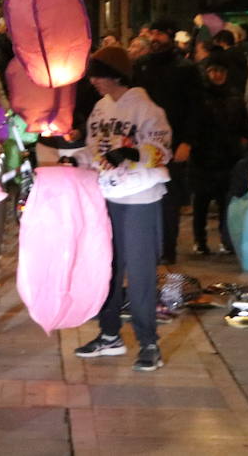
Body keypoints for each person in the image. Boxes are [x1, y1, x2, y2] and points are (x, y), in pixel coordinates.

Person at [74, 45, 173, 373]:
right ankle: (110, 333)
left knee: (141, 272)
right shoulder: (100, 109)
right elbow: (93, 149)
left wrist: (132, 155)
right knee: (108, 269)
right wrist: (75, 158)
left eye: (98, 75)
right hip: (108, 196)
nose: (94, 82)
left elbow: (162, 149)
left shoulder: (146, 107)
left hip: (140, 197)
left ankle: (149, 342)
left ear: (116, 75)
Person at [133, 19, 202, 265]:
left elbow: (195, 107)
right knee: (143, 192)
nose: (155, 38)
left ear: (170, 37)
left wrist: (187, 142)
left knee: (168, 199)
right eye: (152, 32)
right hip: (142, 141)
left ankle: (167, 249)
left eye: (160, 33)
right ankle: (147, 245)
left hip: (173, 142)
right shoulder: (140, 66)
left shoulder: (185, 68)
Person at [191, 53, 248, 255]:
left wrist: (241, 143)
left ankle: (226, 239)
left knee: (225, 201)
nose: (217, 75)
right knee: (201, 202)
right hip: (203, 156)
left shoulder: (234, 96)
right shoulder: (199, 96)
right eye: (213, 71)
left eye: (221, 71)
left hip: (228, 157)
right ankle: (200, 240)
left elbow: (244, 125)